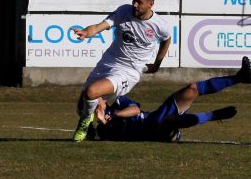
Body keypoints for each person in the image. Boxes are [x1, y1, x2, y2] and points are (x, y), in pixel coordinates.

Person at [71, 0, 172, 141]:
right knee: (82, 105)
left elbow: (166, 39)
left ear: (151, 3)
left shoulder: (160, 25)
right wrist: (86, 32)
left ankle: (85, 123)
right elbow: (99, 27)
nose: (135, 5)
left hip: (129, 71)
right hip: (108, 62)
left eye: (139, 2)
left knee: (92, 92)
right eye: (134, 0)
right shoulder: (124, 11)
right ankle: (90, 127)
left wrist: (157, 63)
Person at [92, 56, 250, 142]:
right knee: (167, 120)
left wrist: (114, 115)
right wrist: (104, 121)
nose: (95, 103)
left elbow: (135, 110)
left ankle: (240, 77)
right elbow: (113, 136)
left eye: (96, 98)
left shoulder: (119, 103)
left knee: (192, 88)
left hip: (154, 117)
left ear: (104, 99)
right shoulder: (103, 128)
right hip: (153, 132)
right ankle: (212, 116)